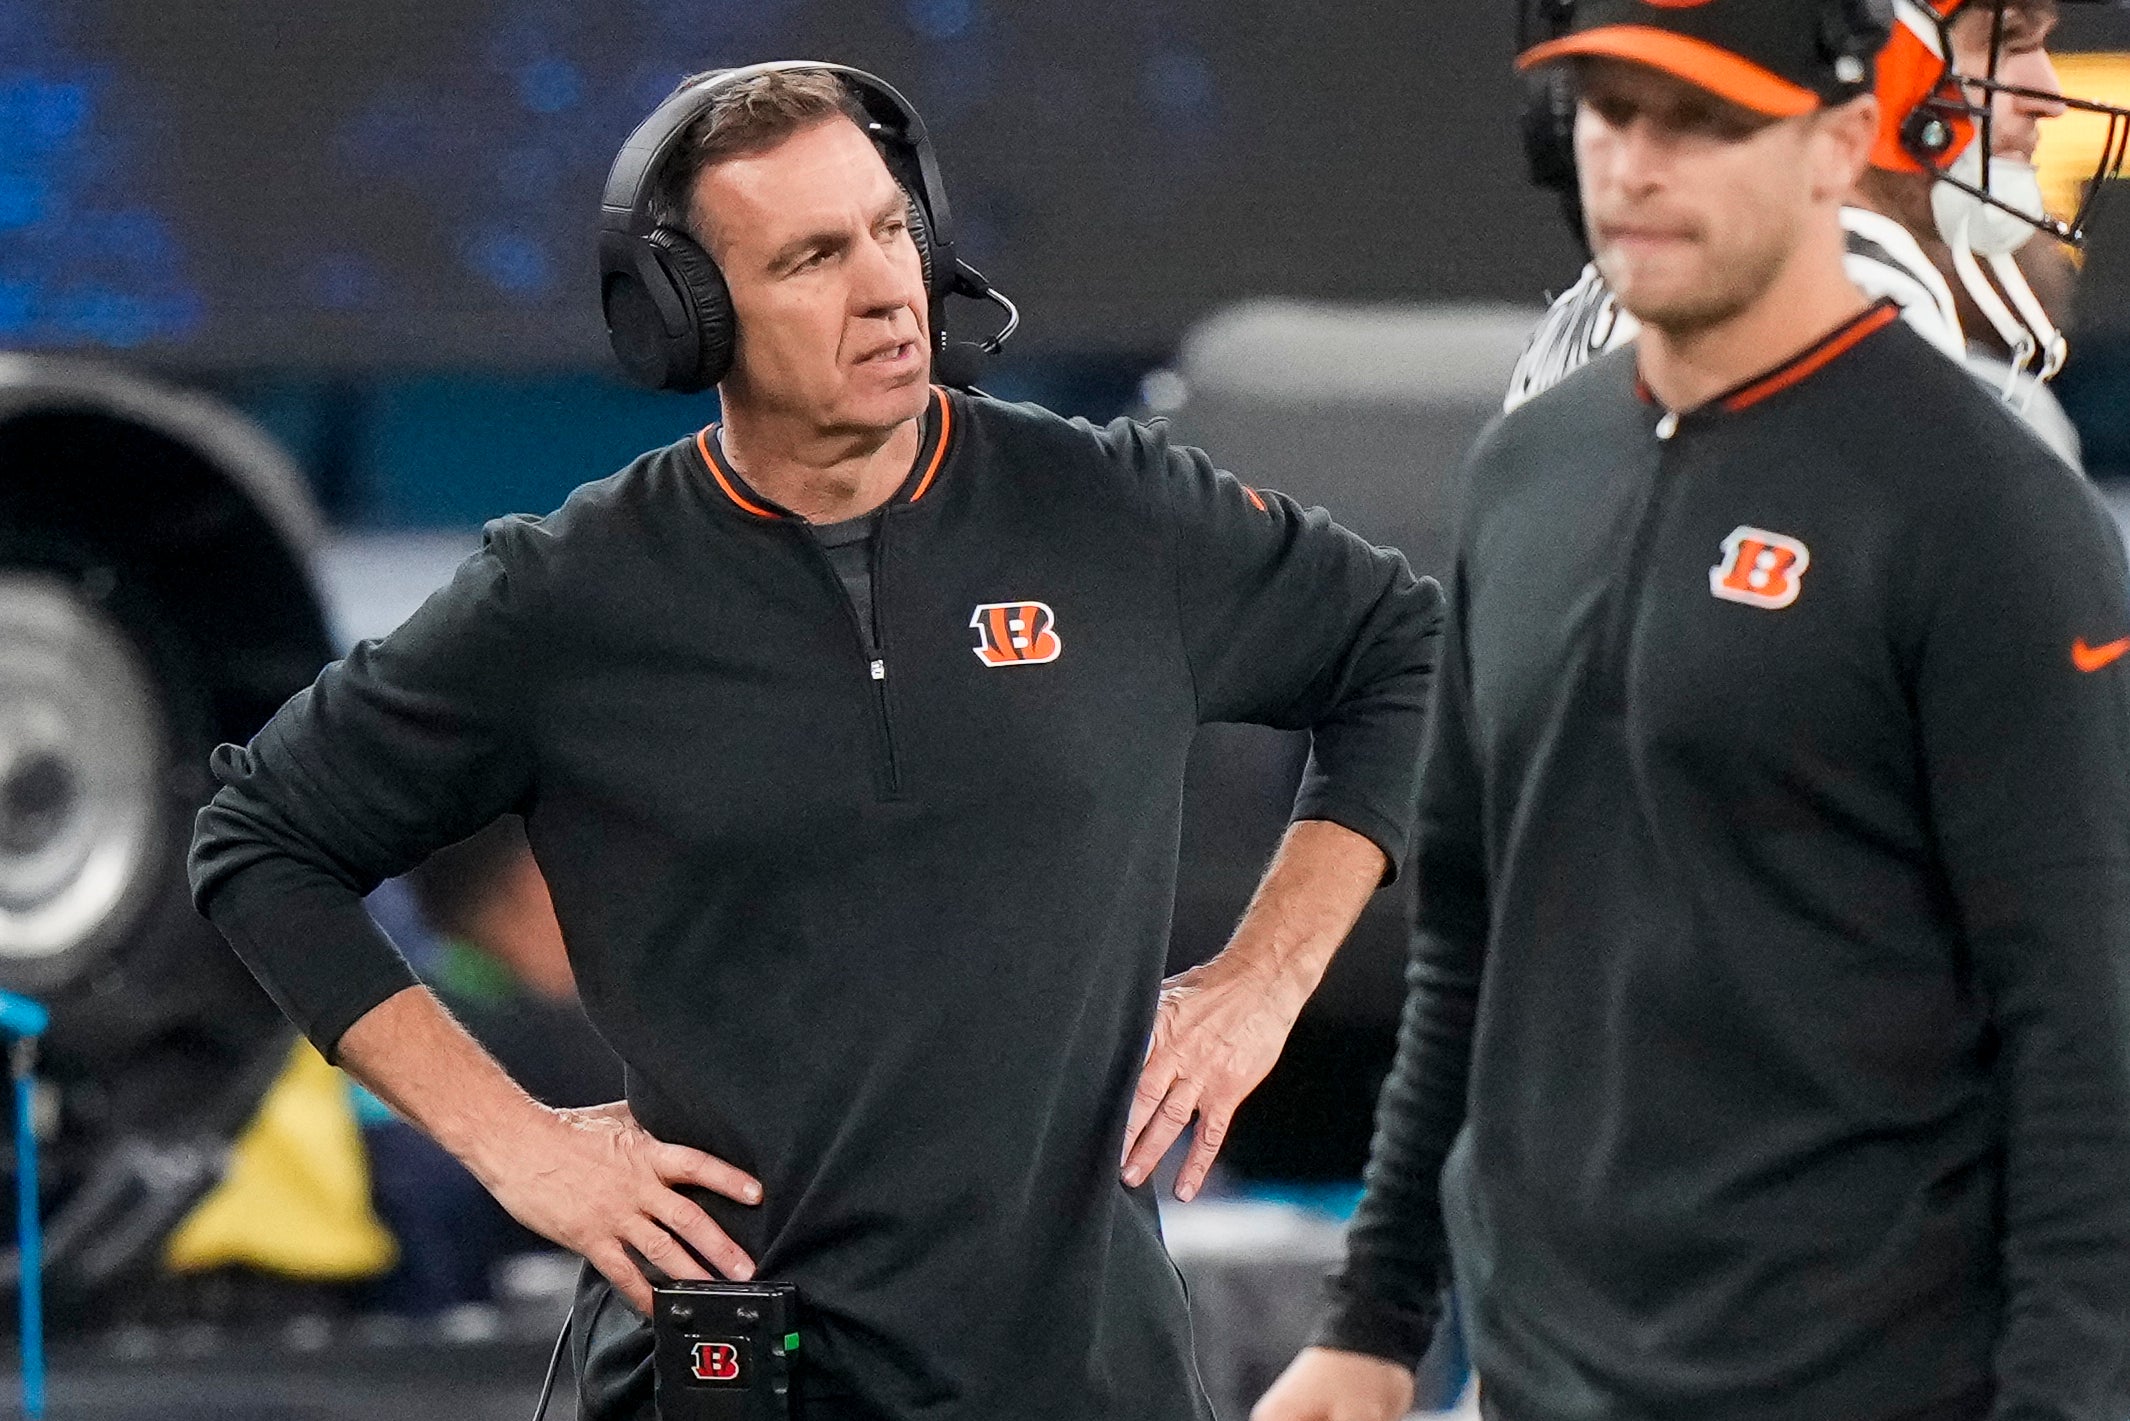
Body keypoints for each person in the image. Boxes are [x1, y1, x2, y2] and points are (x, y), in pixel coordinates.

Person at [188, 63, 1441, 1421]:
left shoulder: (1109, 513)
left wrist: (1264, 977)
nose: (888, 288)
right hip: (729, 1376)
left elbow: (1404, 650)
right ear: (691, 316)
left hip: (1079, 1378)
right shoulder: (572, 595)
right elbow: (262, 839)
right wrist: (514, 1145)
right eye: (811, 257)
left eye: (895, 231)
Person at [1257, 3, 2130, 1419]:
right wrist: (1370, 1320)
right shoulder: (1522, 472)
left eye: (1707, 121)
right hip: (1540, 1372)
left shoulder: (1987, 501)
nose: (1639, 166)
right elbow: (1475, 947)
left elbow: (2080, 1025)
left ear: (1839, 141)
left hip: (1867, 1379)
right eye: (1609, 114)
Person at [1504, 0, 2122, 469]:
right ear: (1881, 58)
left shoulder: (1607, 299)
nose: (2048, 95)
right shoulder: (1838, 300)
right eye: (2005, 41)